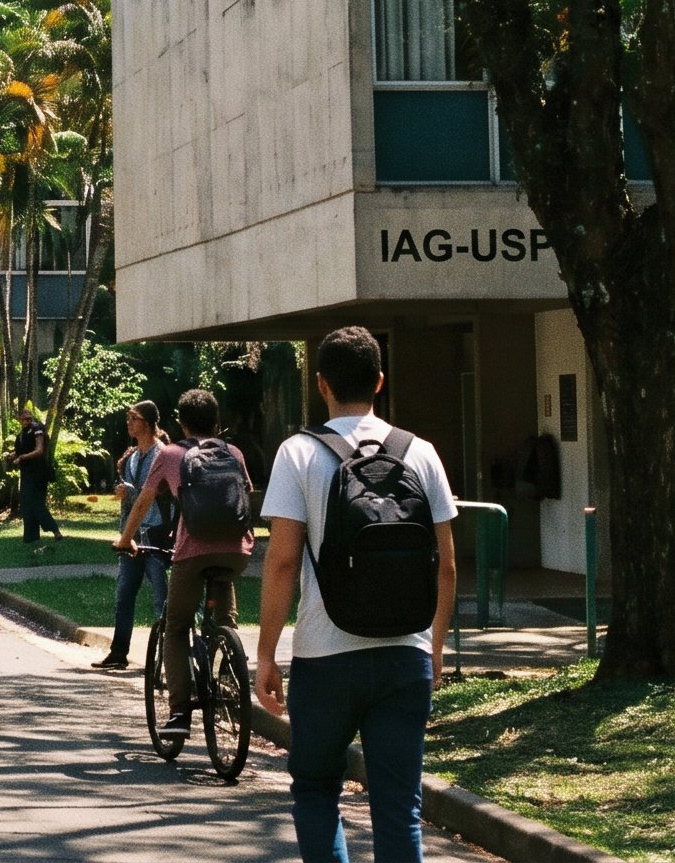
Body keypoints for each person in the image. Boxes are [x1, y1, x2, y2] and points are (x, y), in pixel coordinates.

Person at [257, 327, 459, 863]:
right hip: (404, 655)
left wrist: (265, 654)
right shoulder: (422, 453)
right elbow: (447, 565)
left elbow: (280, 562)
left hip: (325, 657)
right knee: (398, 807)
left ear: (320, 384)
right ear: (380, 381)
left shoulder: (298, 453)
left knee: (317, 789)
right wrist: (433, 646)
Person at [117, 389, 251, 738]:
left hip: (192, 552)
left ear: (180, 422)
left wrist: (124, 539)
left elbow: (144, 501)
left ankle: (179, 713)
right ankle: (230, 673)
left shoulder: (172, 453)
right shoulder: (233, 452)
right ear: (217, 422)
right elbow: (244, 495)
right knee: (226, 620)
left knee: (175, 626)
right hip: (236, 551)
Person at [94, 400, 170, 671]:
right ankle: (118, 652)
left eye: (133, 418)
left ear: (147, 424)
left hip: (155, 535)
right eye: (128, 417)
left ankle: (167, 659)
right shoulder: (132, 456)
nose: (129, 422)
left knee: (162, 598)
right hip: (131, 534)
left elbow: (156, 495)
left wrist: (131, 492)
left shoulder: (162, 455)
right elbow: (134, 497)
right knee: (124, 595)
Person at [9, 401, 61, 545]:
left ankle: (55, 530)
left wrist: (22, 457)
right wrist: (13, 455)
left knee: (37, 502)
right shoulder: (21, 435)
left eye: (29, 418)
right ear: (19, 419)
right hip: (27, 473)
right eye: (24, 418)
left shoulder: (37, 428)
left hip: (39, 472)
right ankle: (31, 538)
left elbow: (39, 450)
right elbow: (21, 452)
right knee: (26, 504)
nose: (27, 421)